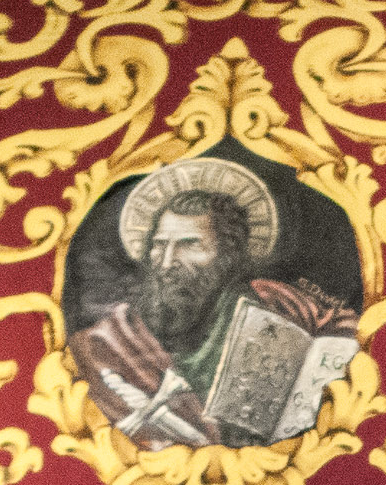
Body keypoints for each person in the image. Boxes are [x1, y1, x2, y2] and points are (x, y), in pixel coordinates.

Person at [74, 158, 355, 447]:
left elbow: (344, 339)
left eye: (189, 244)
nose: (167, 262)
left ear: (228, 255)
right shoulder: (108, 342)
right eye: (159, 245)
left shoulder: (279, 307)